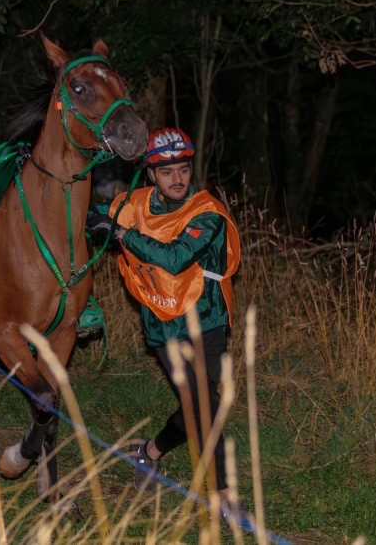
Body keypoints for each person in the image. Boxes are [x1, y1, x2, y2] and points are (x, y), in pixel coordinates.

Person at [86, 127, 243, 516]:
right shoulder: (132, 204)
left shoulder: (208, 213)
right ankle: (224, 493)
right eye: (168, 172)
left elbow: (174, 258)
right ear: (152, 174)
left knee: (202, 405)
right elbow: (90, 217)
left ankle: (150, 451)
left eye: (185, 170)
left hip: (206, 320)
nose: (178, 179)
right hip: (162, 324)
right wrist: (90, 220)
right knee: (201, 405)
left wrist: (121, 233)